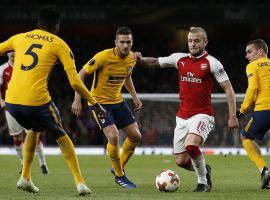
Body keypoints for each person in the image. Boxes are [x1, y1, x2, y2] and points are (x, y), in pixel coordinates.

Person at [0, 5, 105, 195]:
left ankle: (25, 178)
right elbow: (74, 81)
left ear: (37, 24)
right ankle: (80, 182)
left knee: (34, 129)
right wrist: (93, 102)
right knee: (60, 133)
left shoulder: (19, 37)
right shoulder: (60, 44)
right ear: (56, 27)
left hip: (11, 102)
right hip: (36, 101)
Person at [136, 27, 239, 192]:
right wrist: (139, 60)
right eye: (190, 41)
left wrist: (232, 116)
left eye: (197, 41)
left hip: (203, 115)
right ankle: (205, 169)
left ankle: (203, 182)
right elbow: (155, 61)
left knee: (191, 146)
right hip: (182, 117)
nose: (193, 44)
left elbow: (229, 90)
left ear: (205, 42)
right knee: (181, 161)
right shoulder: (179, 59)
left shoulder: (212, 63)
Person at [72, 26, 142, 189]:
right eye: (122, 42)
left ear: (132, 43)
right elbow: (80, 74)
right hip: (98, 103)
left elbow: (127, 76)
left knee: (136, 137)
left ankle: (118, 167)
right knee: (114, 136)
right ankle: (119, 175)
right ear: (116, 43)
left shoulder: (132, 58)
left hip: (117, 102)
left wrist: (135, 96)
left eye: (128, 42)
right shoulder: (103, 57)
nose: (125, 45)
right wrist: (77, 99)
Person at [0, 52, 49, 174]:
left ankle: (43, 163)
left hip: (26, 106)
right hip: (10, 108)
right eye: (10, 52)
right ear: (7, 54)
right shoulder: (2, 69)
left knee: (33, 135)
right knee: (17, 137)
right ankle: (24, 164)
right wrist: (1, 101)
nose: (12, 53)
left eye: (15, 52)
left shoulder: (25, 67)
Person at [236, 39, 270, 189]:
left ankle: (263, 169)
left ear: (260, 52)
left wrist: (242, 110)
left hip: (264, 110)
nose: (246, 56)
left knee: (245, 137)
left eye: (249, 52)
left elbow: (252, 88)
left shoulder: (253, 66)